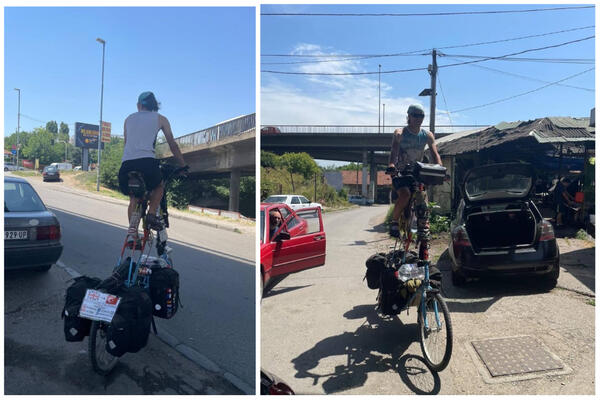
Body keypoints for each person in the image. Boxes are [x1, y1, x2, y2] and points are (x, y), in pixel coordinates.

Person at [118, 91, 187, 241]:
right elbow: (172, 144)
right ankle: (151, 213)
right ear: (155, 106)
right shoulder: (161, 119)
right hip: (147, 163)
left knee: (134, 197)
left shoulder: (128, 119)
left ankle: (132, 233)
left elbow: (126, 144)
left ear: (139, 105)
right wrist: (182, 165)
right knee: (159, 186)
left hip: (126, 165)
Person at [387, 104, 443, 237]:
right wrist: (391, 165)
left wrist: (441, 169)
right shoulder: (400, 133)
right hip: (401, 171)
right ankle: (394, 222)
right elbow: (394, 150)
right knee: (405, 194)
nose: (419, 118)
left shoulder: (427, 135)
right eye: (415, 115)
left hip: (417, 171)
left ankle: (423, 224)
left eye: (421, 116)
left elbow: (435, 154)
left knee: (422, 196)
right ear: (409, 116)